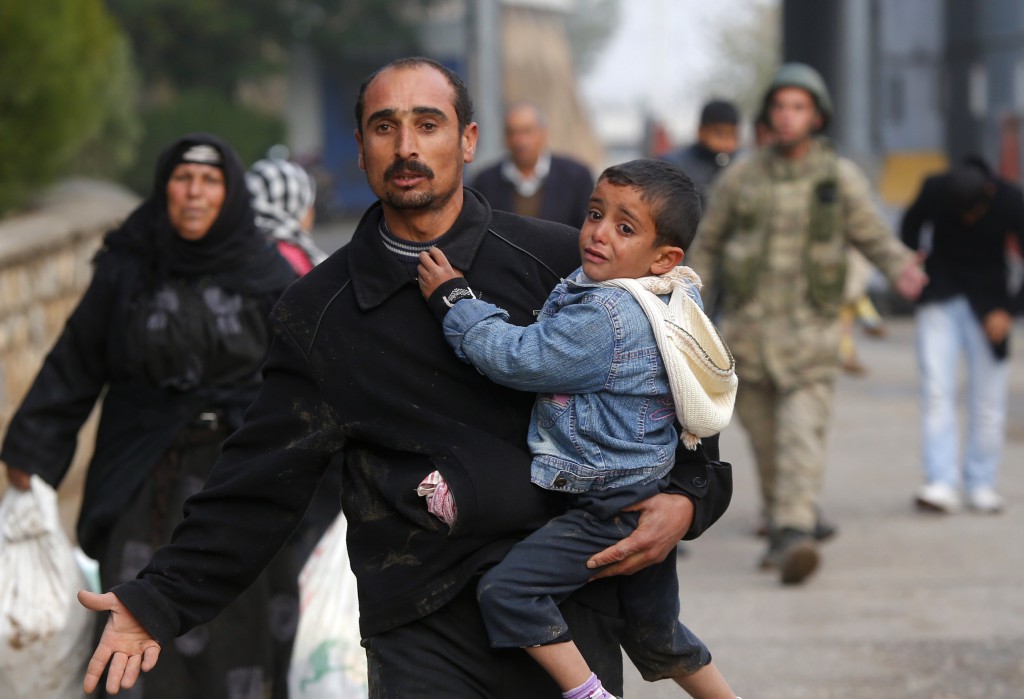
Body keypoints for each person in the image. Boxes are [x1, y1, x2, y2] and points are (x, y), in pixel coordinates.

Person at [76, 57, 733, 698]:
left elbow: (677, 384)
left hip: (563, 606)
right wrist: (158, 597)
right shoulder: (321, 313)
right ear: (360, 150)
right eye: (384, 127)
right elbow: (258, 481)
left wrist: (689, 497)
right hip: (418, 616)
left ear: (469, 140)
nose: (406, 146)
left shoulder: (563, 266)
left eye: (428, 123)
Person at [415, 158, 739, 699]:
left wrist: (456, 302)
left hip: (604, 503)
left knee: (508, 593)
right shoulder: (671, 296)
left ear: (665, 257)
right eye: (595, 213)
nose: (598, 234)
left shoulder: (609, 317)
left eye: (624, 227)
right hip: (646, 490)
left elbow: (517, 358)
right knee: (657, 633)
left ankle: (588, 694)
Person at [0, 133, 299, 698]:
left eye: (209, 181)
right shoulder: (128, 269)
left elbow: (307, 382)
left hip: (239, 480)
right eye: (183, 179)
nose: (194, 193)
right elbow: (77, 360)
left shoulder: (268, 277)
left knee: (241, 625)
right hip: (143, 474)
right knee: (130, 615)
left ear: (229, 194)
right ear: (165, 188)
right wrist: (32, 452)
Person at [688, 62, 928, 585]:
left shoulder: (837, 178)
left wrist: (903, 269)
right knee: (766, 441)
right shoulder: (742, 177)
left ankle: (794, 532)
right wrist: (686, 302)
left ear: (817, 116)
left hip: (812, 339)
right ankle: (785, 523)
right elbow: (707, 244)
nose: (787, 117)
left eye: (798, 107)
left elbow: (872, 235)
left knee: (801, 435)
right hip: (748, 339)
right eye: (780, 106)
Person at [900, 156, 1024, 514]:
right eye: (961, 214)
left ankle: (981, 483)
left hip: (990, 304)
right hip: (940, 296)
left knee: (988, 398)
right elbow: (909, 228)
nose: (968, 219)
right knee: (937, 391)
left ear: (987, 194)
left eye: (974, 212)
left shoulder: (1009, 199)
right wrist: (916, 266)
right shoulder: (935, 189)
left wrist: (1009, 311)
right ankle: (941, 482)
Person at [470, 101, 595, 228]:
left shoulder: (576, 177)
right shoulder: (485, 181)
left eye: (527, 131)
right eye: (512, 133)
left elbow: (587, 228)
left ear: (543, 133)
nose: (520, 141)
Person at [247, 156, 328, 275]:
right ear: (296, 207)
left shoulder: (231, 252)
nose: (312, 212)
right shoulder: (304, 265)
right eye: (309, 203)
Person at [662, 99, 741, 206]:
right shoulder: (674, 167)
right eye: (720, 134)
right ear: (701, 131)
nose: (727, 143)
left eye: (733, 135)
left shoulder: (741, 165)